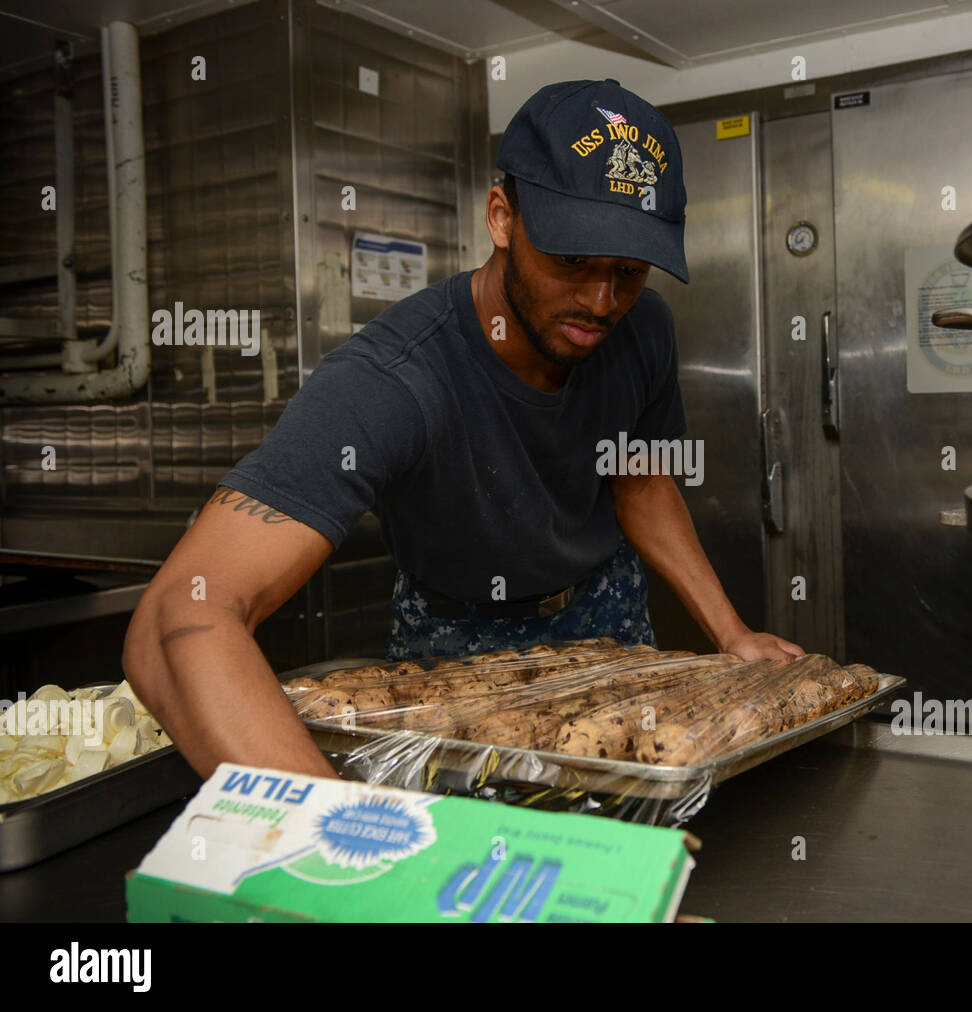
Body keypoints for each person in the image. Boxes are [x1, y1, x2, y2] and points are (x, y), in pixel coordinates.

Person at [123, 79, 803, 779]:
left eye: (628, 272)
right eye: (573, 261)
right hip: (456, 638)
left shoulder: (644, 329)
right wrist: (341, 839)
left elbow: (638, 479)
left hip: (608, 613)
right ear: (502, 219)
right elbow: (176, 617)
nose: (601, 303)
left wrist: (731, 634)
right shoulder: (395, 377)